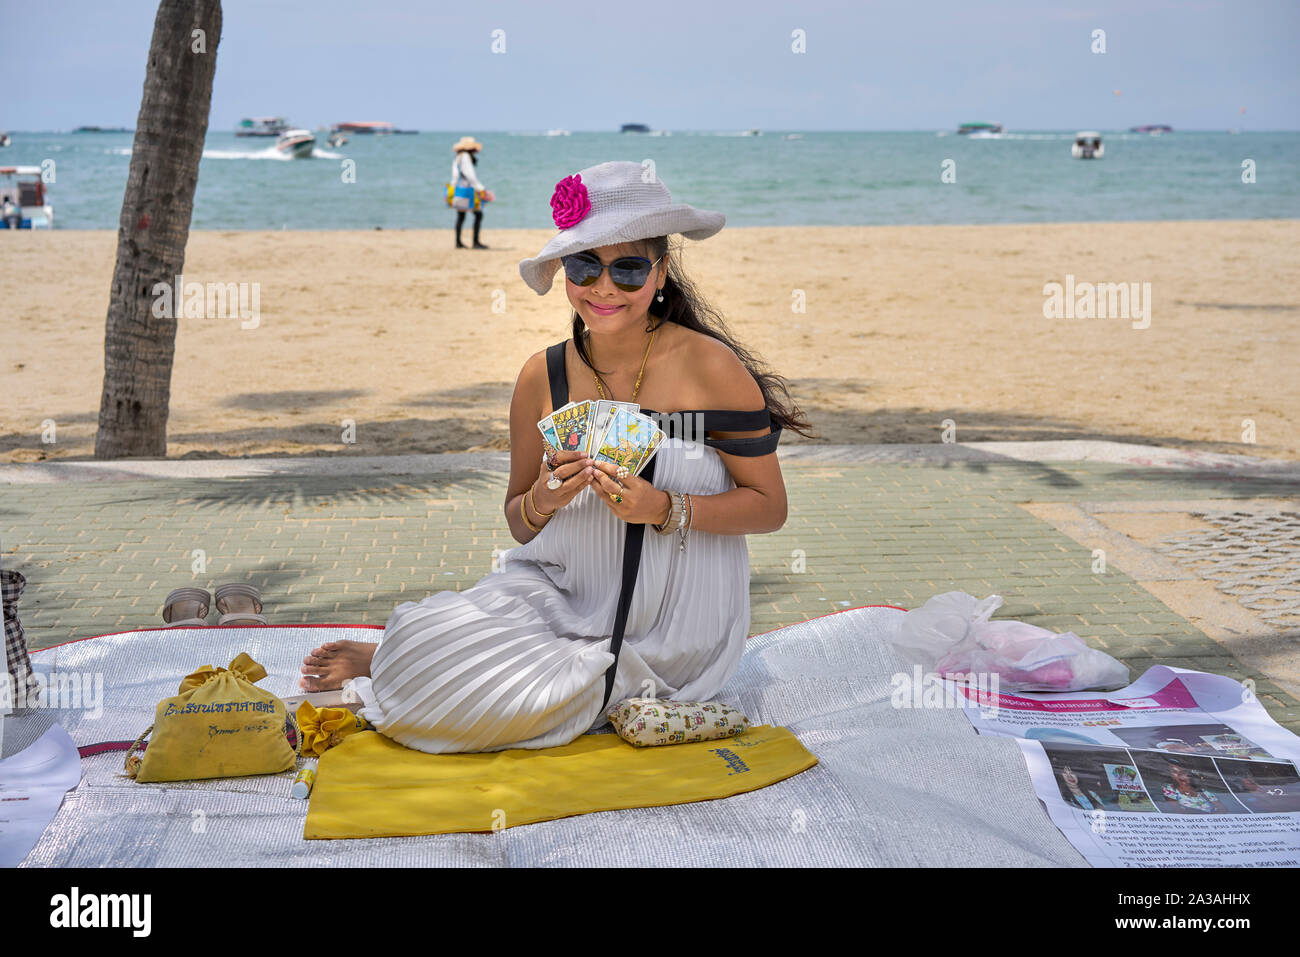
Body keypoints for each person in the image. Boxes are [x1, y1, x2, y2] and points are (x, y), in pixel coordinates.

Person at [300, 160, 813, 754]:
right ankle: (396, 653)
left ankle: (399, 662)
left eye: (627, 269)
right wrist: (544, 497)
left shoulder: (709, 366)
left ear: (661, 272)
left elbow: (769, 507)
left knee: (463, 702)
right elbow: (519, 523)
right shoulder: (540, 376)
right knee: (422, 644)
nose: (604, 288)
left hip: (669, 628)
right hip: (554, 592)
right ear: (565, 272)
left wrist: (664, 507)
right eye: (585, 265)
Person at [449, 135, 489, 249]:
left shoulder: (458, 157)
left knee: (461, 216)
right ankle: (475, 242)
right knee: (478, 214)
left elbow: (455, 175)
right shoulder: (466, 157)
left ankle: (458, 242)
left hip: (458, 190)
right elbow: (470, 176)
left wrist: (453, 189)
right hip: (467, 190)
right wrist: (481, 189)